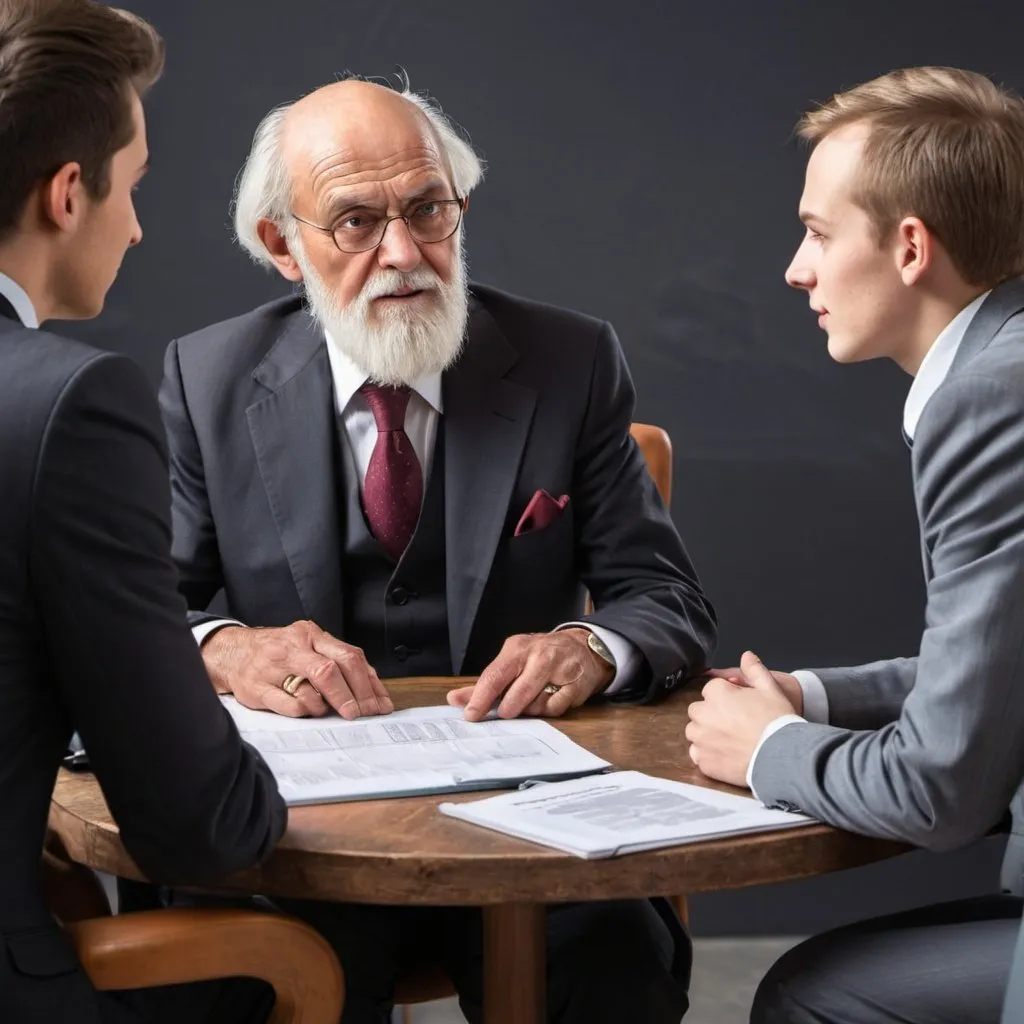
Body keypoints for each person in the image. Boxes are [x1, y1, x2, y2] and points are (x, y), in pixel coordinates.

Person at [158, 77, 715, 1023]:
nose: (405, 253)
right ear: (282, 245)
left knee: (615, 963)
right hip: (296, 835)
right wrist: (229, 648)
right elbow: (147, 611)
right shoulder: (206, 380)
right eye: (354, 223)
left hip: (529, 828)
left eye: (429, 209)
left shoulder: (568, 360)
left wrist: (587, 646)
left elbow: (663, 598)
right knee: (234, 981)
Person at [683, 66, 1024, 1024]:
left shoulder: (992, 401)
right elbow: (1001, 674)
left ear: (910, 246)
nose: (797, 268)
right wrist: (814, 697)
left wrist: (769, 748)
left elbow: (941, 790)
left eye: (820, 233)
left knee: (815, 996)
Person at [0, 2, 286, 1021]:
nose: (138, 224)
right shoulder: (67, 406)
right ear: (68, 193)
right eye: (137, 182)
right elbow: (199, 825)